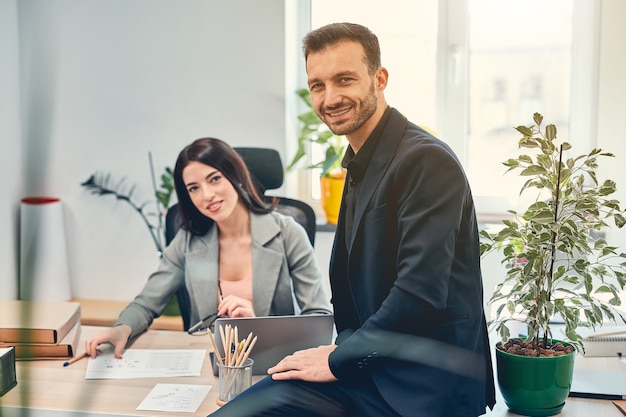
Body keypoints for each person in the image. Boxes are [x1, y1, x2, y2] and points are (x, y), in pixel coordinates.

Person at [209, 22, 496, 417]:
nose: (330, 97)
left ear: (379, 79)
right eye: (317, 85)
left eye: (345, 79)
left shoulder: (424, 160)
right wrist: (340, 353)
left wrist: (336, 359)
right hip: (369, 367)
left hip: (419, 385)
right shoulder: (362, 160)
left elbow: (419, 291)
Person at [85, 137, 331, 359]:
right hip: (209, 365)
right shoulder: (188, 241)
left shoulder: (288, 233)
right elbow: (146, 303)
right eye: (194, 188)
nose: (207, 195)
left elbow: (318, 318)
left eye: (214, 179)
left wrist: (258, 324)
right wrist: (121, 329)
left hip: (275, 364)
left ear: (235, 176)